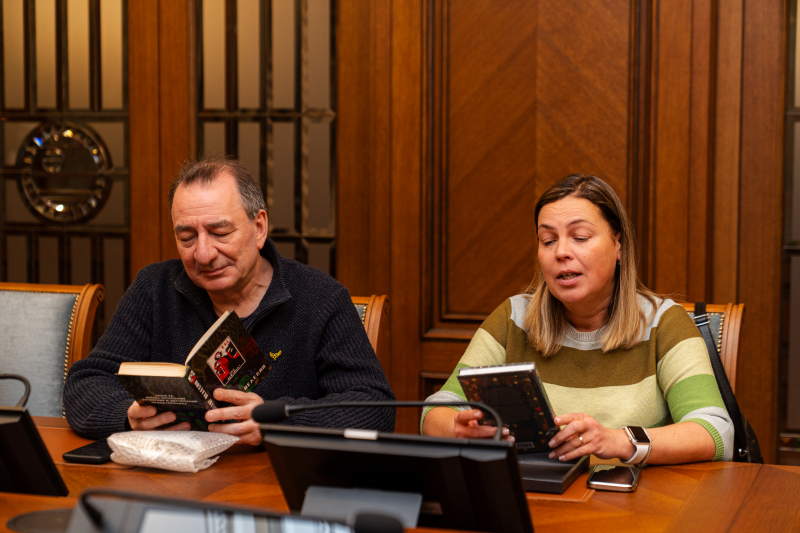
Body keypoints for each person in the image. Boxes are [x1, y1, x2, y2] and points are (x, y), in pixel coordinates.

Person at [64, 157, 395, 445]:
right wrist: (127, 416)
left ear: (259, 227)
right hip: (173, 480)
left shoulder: (320, 298)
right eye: (187, 237)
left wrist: (280, 423)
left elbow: (374, 409)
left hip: (272, 482)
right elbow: (85, 384)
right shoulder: (154, 288)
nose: (203, 254)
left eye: (220, 233)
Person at [421, 174, 733, 465]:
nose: (561, 252)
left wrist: (620, 441)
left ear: (619, 245)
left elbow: (716, 432)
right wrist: (457, 428)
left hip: (635, 500)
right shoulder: (514, 318)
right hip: (537, 498)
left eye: (580, 237)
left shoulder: (664, 323)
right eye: (548, 240)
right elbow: (435, 411)